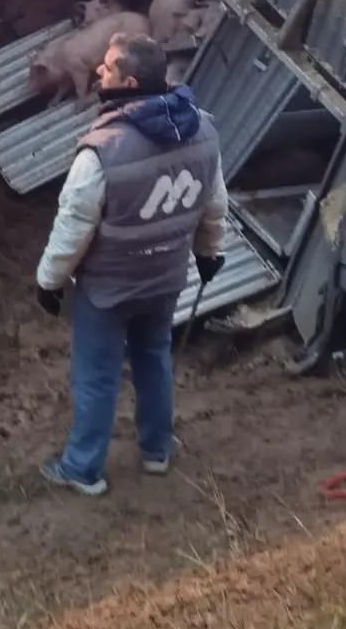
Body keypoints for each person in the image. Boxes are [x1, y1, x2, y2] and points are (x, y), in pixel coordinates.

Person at [33, 32, 228, 496]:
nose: (100, 72)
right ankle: (157, 451)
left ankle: (82, 469)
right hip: (164, 279)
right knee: (154, 359)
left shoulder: (102, 150)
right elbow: (214, 204)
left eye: (108, 67)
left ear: (130, 81)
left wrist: (49, 282)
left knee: (96, 376)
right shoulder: (203, 130)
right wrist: (208, 253)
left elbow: (73, 228)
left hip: (109, 289)